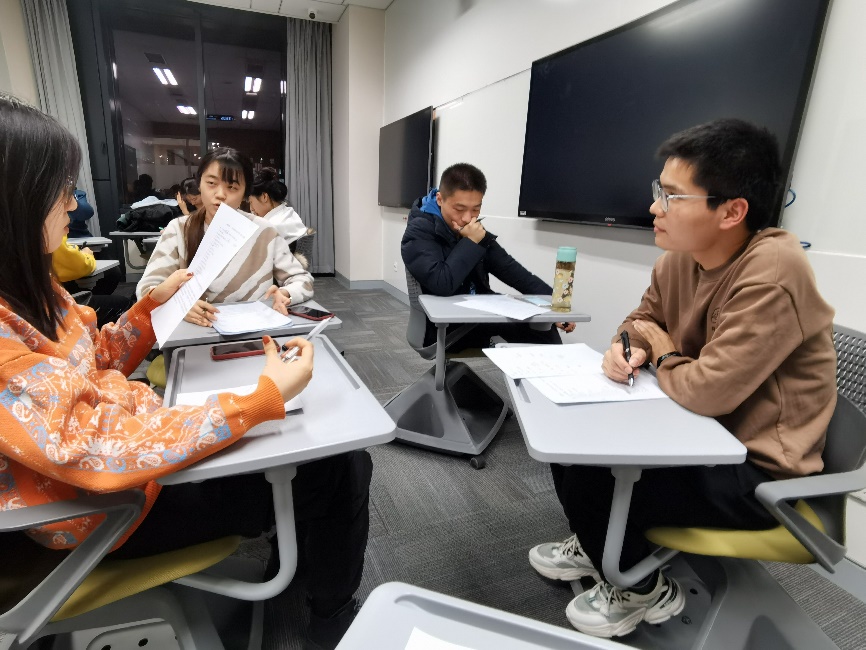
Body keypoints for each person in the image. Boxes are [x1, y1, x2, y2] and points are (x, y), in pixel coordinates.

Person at [0, 94, 371, 650]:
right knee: (337, 464)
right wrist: (260, 398)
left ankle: (298, 554)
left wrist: (149, 311)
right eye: (62, 191)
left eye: (232, 185)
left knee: (307, 449)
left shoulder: (37, 290)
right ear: (18, 199)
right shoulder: (13, 325)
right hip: (108, 505)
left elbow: (96, 360)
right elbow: (92, 448)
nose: (73, 206)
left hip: (138, 452)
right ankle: (330, 615)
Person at [528, 119, 837, 638]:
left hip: (759, 473)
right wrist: (626, 347)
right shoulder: (677, 261)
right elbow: (637, 322)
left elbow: (708, 391)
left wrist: (661, 346)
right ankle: (598, 541)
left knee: (595, 474)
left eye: (672, 196)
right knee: (569, 440)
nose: (655, 208)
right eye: (659, 191)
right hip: (697, 435)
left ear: (732, 211)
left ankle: (643, 590)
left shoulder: (774, 269)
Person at [401, 162, 574, 350]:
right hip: (442, 326)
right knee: (533, 331)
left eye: (476, 209)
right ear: (440, 199)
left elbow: (513, 272)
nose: (468, 218)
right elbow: (442, 283)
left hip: (477, 315)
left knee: (542, 325)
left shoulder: (472, 231)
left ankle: (552, 368)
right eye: (459, 209)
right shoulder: (419, 231)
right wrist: (471, 242)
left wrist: (556, 305)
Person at [136, 148, 314, 327]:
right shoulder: (179, 229)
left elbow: (302, 279)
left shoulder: (264, 231)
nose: (220, 194)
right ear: (200, 184)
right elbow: (147, 288)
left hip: (255, 328)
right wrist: (179, 305)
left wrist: (286, 293)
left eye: (232, 187)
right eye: (211, 183)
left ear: (245, 194)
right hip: (195, 330)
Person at [52, 234, 131, 327]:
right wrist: (87, 255)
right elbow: (81, 266)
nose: (68, 230)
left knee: (112, 273)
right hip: (52, 305)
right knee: (124, 305)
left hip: (45, 298)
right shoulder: (49, 235)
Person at [249, 166, 308, 246]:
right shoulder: (289, 212)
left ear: (264, 197)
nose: (251, 209)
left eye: (251, 202)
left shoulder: (271, 227)